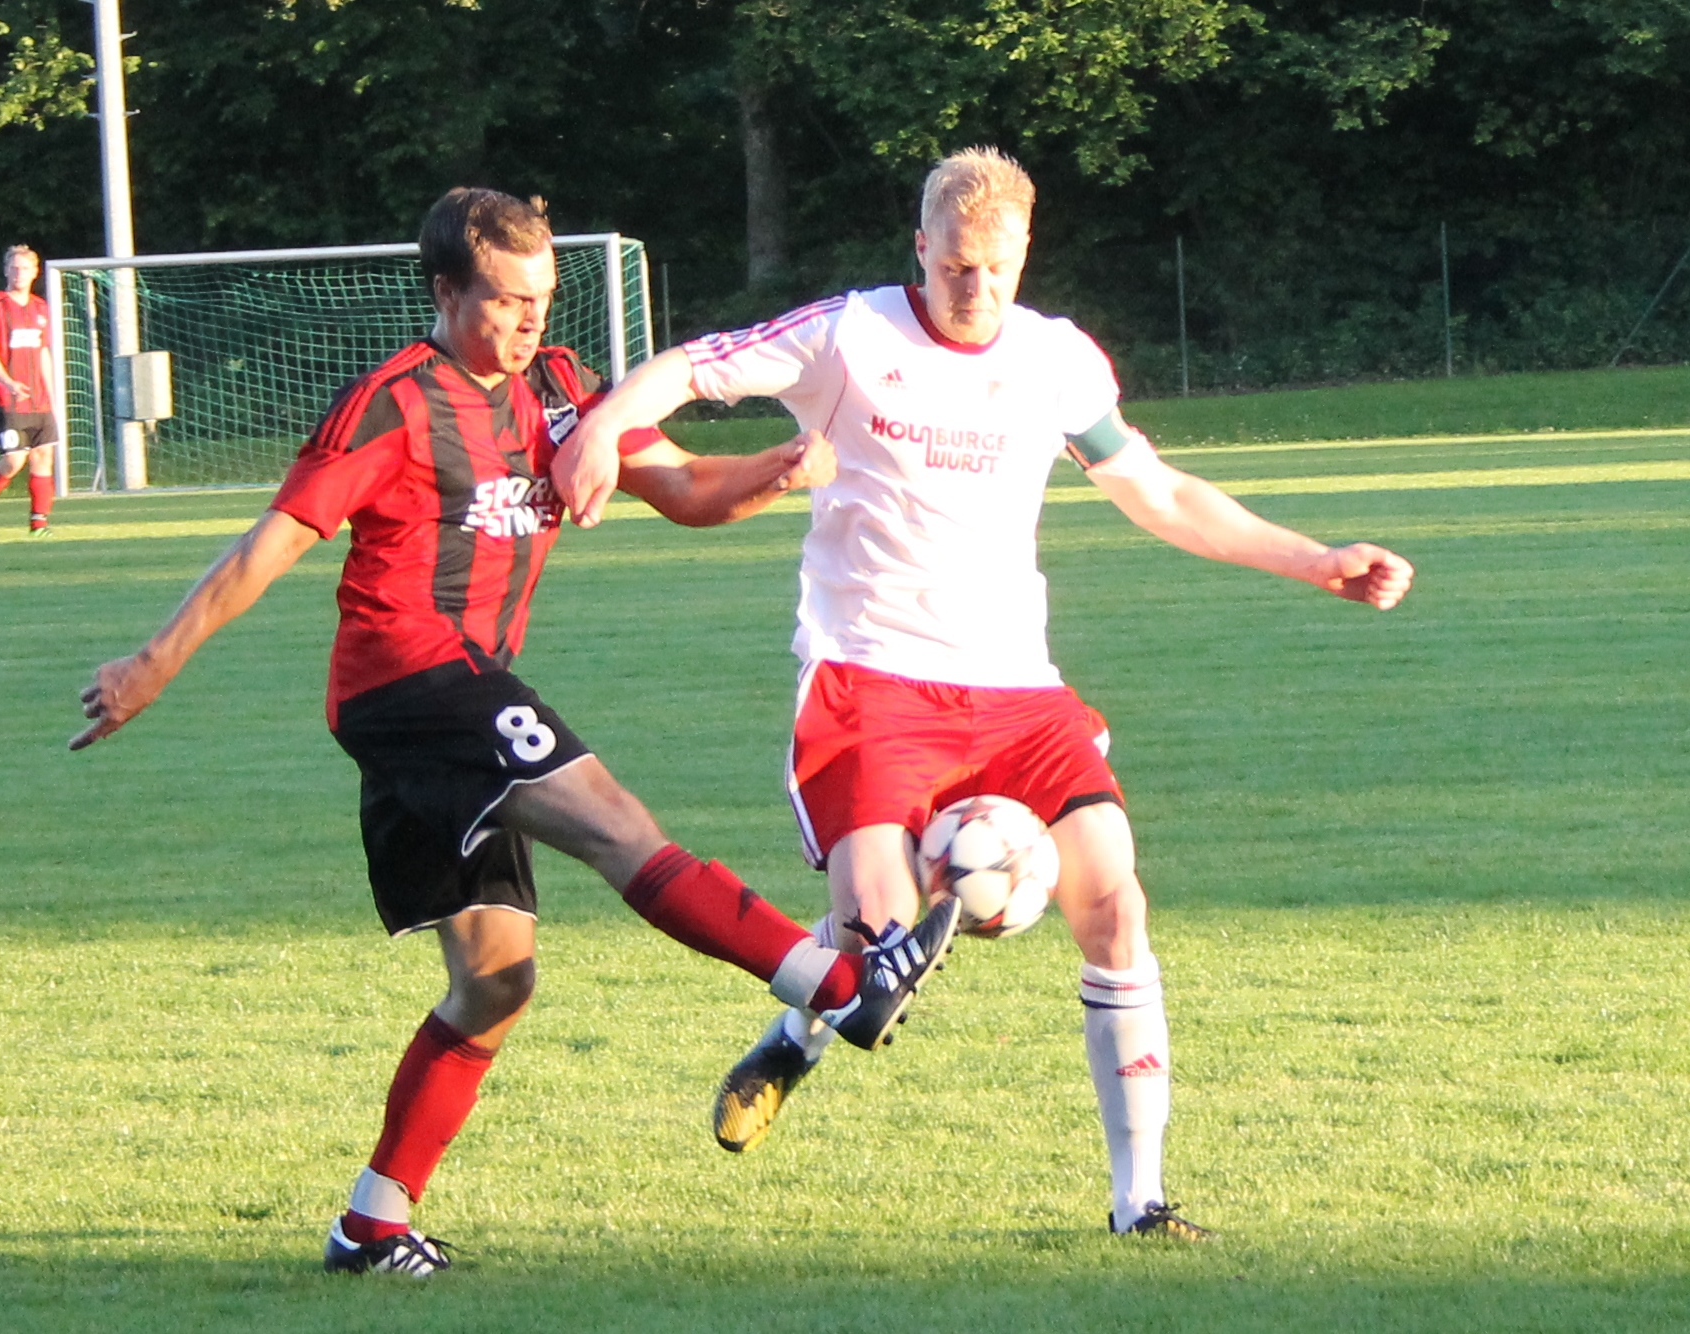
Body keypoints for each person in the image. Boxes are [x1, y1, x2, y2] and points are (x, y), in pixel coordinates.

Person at [69, 188, 962, 1277]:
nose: (530, 319)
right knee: (614, 823)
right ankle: (836, 982)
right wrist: (152, 662)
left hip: (453, 698)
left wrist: (776, 470)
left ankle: (369, 1223)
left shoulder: (559, 386)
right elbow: (273, 541)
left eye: (542, 296)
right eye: (505, 299)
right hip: (407, 680)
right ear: (445, 292)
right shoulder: (394, 402)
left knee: (496, 976)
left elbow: (677, 485)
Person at [555, 148, 1415, 1241]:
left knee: (1113, 898)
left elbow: (1155, 490)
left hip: (1017, 687)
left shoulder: (1055, 359)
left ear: (1023, 255)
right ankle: (797, 1035)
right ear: (919, 249)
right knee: (876, 945)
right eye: (956, 266)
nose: (975, 290)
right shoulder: (849, 335)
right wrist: (597, 427)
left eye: (997, 269)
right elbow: (686, 366)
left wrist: (1314, 558)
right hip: (870, 679)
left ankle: (1139, 1202)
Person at [0, 244, 59, 538]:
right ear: (6, 270)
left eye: (25, 268)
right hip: (8, 399)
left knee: (43, 456)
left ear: (35, 273)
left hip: (39, 400)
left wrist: (52, 397)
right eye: (14, 268)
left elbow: (43, 353)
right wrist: (8, 382)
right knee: (14, 461)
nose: (19, 273)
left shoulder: (41, 309)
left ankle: (38, 526)